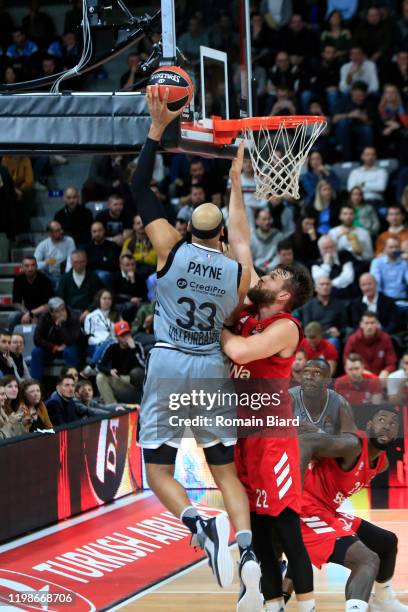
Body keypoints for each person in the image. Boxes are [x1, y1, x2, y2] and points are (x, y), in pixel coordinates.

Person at [132, 87, 263, 609]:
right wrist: (237, 184)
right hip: (210, 366)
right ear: (221, 239)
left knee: (159, 471)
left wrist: (156, 129)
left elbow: (140, 185)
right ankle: (248, 555)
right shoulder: (238, 271)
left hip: (168, 361)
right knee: (224, 471)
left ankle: (198, 526)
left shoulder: (169, 246)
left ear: (188, 228)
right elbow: (245, 242)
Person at [221, 177, 316, 609]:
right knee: (257, 522)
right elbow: (240, 238)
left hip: (272, 435)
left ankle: (308, 603)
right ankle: (273, 600)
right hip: (244, 428)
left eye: (274, 274)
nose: (264, 272)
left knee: (285, 524)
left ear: (283, 294)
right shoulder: (254, 308)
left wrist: (218, 328)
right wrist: (235, 180)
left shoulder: (284, 327)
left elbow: (239, 349)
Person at [286, 408, 408, 612]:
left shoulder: (382, 463)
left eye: (393, 423)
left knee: (387, 542)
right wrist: (293, 496)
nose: (387, 424)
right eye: (381, 419)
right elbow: (306, 442)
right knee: (367, 560)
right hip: (305, 508)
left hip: (327, 511)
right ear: (369, 426)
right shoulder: (351, 445)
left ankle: (383, 600)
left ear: (396, 434)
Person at [290, 359, 355, 434]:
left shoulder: (340, 403)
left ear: (328, 381)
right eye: (306, 372)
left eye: (317, 373)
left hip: (327, 445)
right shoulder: (289, 399)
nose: (309, 377)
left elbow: (353, 440)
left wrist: (319, 433)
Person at [31, 297, 82, 380]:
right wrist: (53, 347)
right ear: (51, 313)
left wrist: (59, 326)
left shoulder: (73, 316)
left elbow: (72, 339)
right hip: (52, 348)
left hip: (68, 346)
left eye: (63, 309)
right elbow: (37, 338)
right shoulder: (44, 317)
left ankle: (72, 382)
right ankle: (35, 385)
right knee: (36, 352)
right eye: (57, 311)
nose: (62, 313)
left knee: (70, 352)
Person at [96, 321, 145, 405]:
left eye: (127, 334)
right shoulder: (112, 346)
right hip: (119, 379)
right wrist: (109, 371)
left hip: (133, 380)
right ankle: (112, 406)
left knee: (136, 373)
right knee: (100, 377)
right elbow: (99, 365)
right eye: (122, 335)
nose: (126, 337)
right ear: (117, 337)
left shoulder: (137, 346)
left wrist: (133, 349)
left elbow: (144, 366)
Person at [297, 276, 348, 349]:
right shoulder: (309, 305)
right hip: (313, 338)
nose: (325, 287)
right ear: (315, 288)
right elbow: (307, 327)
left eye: (327, 284)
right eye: (322, 284)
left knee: (333, 341)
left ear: (331, 287)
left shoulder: (339, 305)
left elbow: (344, 327)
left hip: (332, 338)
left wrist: (339, 332)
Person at [344, 312, 397, 379]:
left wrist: (385, 371)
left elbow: (391, 363)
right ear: (361, 324)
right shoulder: (353, 340)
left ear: (377, 324)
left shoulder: (386, 339)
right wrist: (367, 374)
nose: (369, 326)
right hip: (360, 376)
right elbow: (347, 362)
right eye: (366, 323)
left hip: (381, 378)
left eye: (372, 323)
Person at [57, 250, 102, 322]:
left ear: (86, 261)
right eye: (76, 262)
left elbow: (98, 297)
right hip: (70, 313)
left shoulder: (93, 277)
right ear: (71, 262)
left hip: (90, 313)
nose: (79, 265)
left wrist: (89, 311)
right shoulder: (64, 278)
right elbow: (60, 299)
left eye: (82, 262)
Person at [10, 255, 53, 330]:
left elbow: (48, 305)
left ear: (36, 267)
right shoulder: (18, 280)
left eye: (33, 265)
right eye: (27, 266)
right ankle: (13, 338)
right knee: (13, 316)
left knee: (46, 317)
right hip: (26, 310)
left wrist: (31, 314)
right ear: (22, 268)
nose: (30, 269)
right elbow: (16, 303)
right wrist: (27, 314)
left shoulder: (45, 280)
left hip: (42, 311)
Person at [311, 235, 356, 300]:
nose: (329, 250)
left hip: (347, 296)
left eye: (331, 247)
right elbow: (319, 281)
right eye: (326, 248)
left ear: (335, 247)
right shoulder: (316, 265)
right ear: (320, 250)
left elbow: (348, 277)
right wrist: (327, 264)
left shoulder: (344, 257)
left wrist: (330, 284)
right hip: (327, 299)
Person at [34, 221, 75, 288]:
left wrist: (66, 277)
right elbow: (34, 264)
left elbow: (70, 261)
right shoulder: (43, 245)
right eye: (57, 230)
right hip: (48, 275)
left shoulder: (69, 241)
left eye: (61, 229)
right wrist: (46, 262)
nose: (61, 232)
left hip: (64, 275)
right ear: (50, 234)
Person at [83, 289, 119, 360]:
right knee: (104, 348)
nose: (107, 301)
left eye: (109, 299)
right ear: (99, 300)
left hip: (114, 344)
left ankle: (93, 366)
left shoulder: (117, 315)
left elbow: (121, 331)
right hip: (96, 344)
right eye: (104, 298)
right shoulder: (91, 316)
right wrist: (101, 342)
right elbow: (89, 336)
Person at [370, 237, 408, 301]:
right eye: (391, 247)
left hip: (402, 298)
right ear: (385, 248)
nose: (394, 250)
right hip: (383, 299)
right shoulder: (377, 262)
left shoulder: (404, 263)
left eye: (397, 247)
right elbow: (376, 283)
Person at [112, 254, 147, 322]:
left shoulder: (140, 278)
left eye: (133, 264)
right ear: (121, 266)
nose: (131, 267)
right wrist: (130, 299)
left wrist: (133, 281)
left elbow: (144, 296)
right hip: (121, 304)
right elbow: (113, 295)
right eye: (127, 265)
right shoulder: (114, 277)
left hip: (136, 305)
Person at [83, 221, 120, 287]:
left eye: (99, 231)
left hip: (109, 274)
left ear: (104, 231)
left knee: (102, 275)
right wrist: (102, 260)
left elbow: (112, 264)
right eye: (94, 231)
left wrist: (95, 262)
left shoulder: (112, 246)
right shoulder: (87, 248)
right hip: (90, 274)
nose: (97, 234)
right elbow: (86, 265)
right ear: (91, 233)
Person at [250, 209, 284, 273]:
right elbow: (250, 258)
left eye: (269, 219)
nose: (267, 222)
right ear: (257, 221)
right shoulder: (252, 237)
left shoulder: (279, 236)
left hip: (275, 270)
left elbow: (281, 256)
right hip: (256, 271)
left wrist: (268, 267)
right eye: (264, 219)